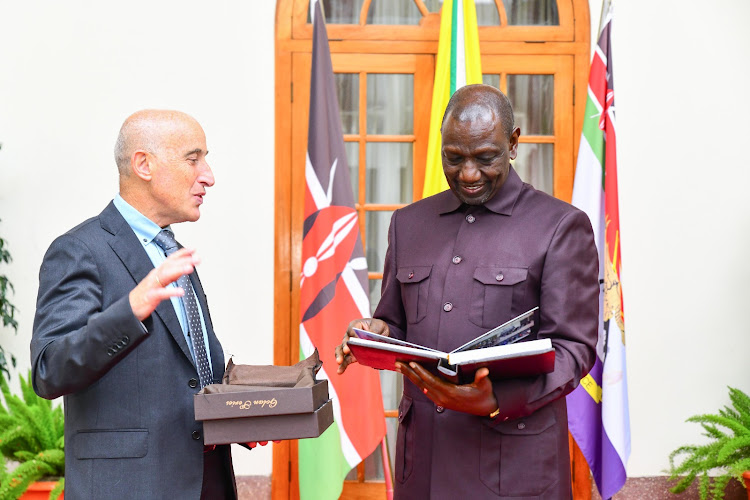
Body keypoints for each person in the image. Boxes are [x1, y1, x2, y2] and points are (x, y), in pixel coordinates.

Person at [335, 85, 599, 499]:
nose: (468, 174)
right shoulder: (409, 224)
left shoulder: (560, 227)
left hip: (512, 471)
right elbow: (394, 320)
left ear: (513, 144)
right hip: (421, 469)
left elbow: (573, 348)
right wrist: (376, 331)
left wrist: (494, 398)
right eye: (454, 158)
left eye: (485, 157)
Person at [30, 110, 239, 499]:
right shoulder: (79, 250)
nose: (208, 175)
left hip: (208, 484)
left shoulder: (172, 251)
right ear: (143, 164)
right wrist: (129, 311)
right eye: (194, 159)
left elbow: (186, 378)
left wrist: (245, 416)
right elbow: (50, 370)